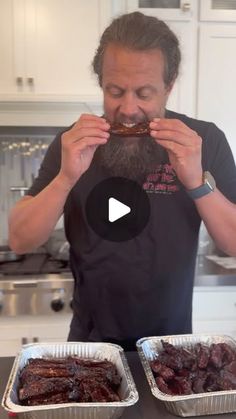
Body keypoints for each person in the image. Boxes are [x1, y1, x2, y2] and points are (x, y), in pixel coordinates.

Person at [8, 12, 236, 350]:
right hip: (89, 347)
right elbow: (19, 239)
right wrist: (66, 177)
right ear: (101, 83)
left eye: (144, 94)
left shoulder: (203, 141)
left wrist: (196, 182)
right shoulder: (72, 143)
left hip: (169, 350)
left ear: (168, 87)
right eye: (115, 91)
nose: (128, 109)